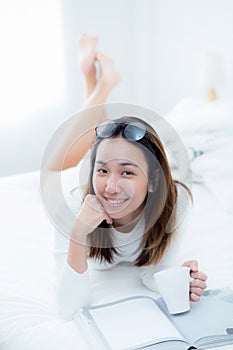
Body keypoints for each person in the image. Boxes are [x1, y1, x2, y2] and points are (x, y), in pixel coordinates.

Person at [52, 34, 208, 320]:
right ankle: (101, 82)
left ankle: (98, 80)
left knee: (103, 142)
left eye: (127, 172)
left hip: (123, 164)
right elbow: (67, 308)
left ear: (154, 181)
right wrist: (77, 233)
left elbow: (153, 273)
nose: (110, 188)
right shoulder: (76, 202)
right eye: (104, 171)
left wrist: (180, 280)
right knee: (59, 161)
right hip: (85, 165)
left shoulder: (178, 200)